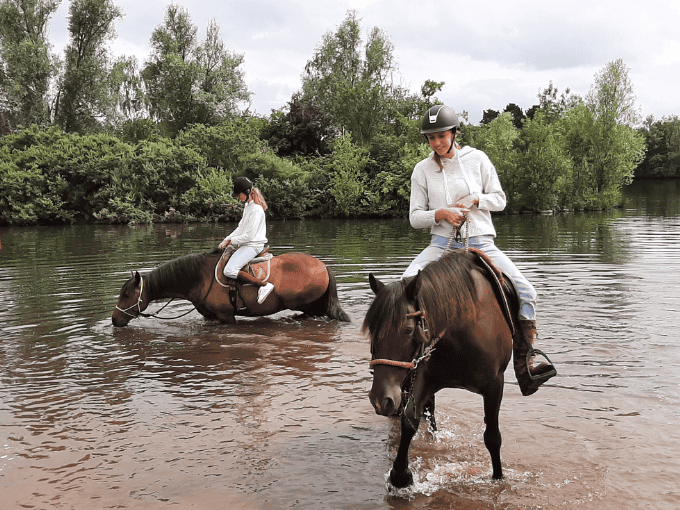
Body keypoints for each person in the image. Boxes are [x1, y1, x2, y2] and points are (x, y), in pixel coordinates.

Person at [403, 104, 556, 396]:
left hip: (481, 241)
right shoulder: (421, 170)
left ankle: (527, 364)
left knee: (527, 291)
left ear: (454, 132)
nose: (437, 142)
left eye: (442, 136)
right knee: (403, 288)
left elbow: (500, 200)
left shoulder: (478, 159)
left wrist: (476, 198)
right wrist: (441, 214)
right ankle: (407, 371)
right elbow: (414, 217)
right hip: (441, 245)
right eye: (431, 138)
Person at [218, 176, 274, 304]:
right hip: (247, 244)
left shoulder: (256, 210)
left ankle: (264, 285)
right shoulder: (248, 206)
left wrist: (231, 241)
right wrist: (226, 239)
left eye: (239, 195)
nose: (238, 198)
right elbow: (240, 228)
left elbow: (249, 235)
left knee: (229, 270)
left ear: (247, 192)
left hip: (253, 246)